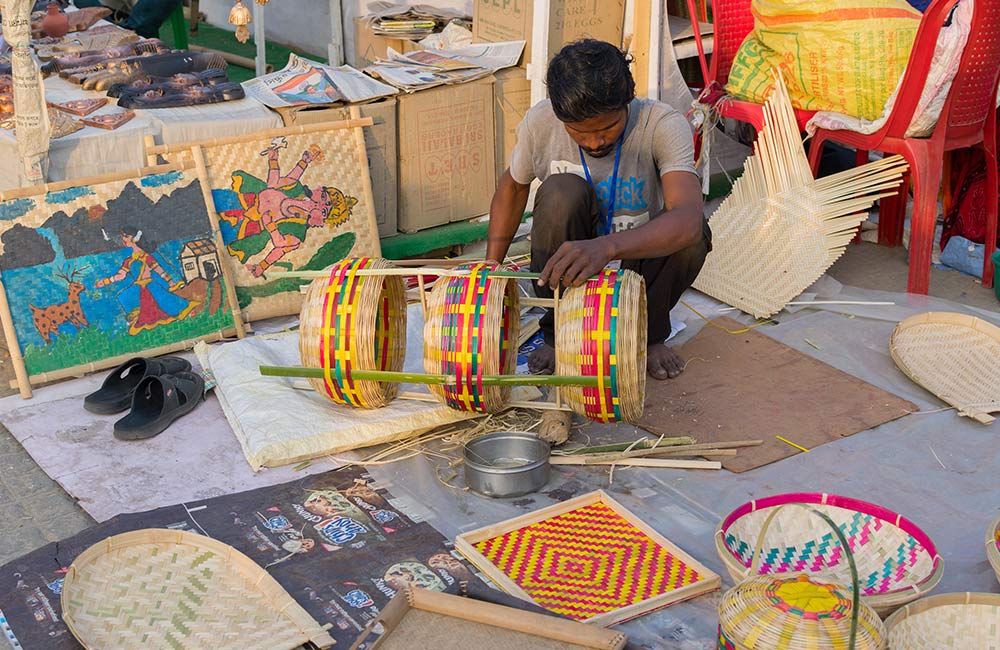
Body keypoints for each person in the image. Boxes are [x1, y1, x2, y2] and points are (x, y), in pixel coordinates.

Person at [486, 39, 711, 380]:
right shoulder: (541, 122)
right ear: (560, 115)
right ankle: (556, 330)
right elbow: (513, 187)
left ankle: (649, 334)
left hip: (638, 264)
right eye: (579, 132)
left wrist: (606, 248)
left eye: (607, 128)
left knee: (693, 235)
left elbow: (688, 219)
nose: (595, 142)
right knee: (561, 190)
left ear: (627, 102)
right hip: (570, 266)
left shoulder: (661, 123)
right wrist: (491, 266)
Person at [96, 226, 198, 335]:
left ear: (135, 238)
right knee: (123, 297)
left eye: (126, 236)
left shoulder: (147, 257)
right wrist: (106, 281)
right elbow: (121, 276)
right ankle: (137, 318)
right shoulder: (128, 261)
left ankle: (186, 312)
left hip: (149, 285)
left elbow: (160, 271)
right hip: (137, 286)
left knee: (166, 301)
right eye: (122, 236)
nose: (123, 239)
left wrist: (171, 282)